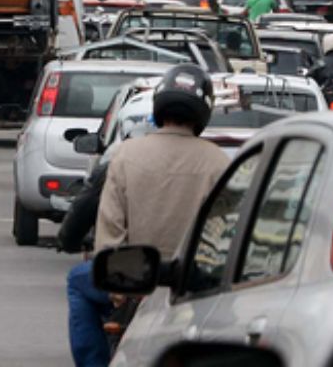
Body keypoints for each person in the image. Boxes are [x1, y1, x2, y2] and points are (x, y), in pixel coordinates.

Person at [66, 64, 229, 367]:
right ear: (204, 111)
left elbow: (110, 231)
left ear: (159, 105)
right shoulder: (219, 162)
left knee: (77, 281)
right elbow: (224, 234)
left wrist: (117, 287)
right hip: (193, 284)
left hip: (134, 278)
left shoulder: (127, 155)